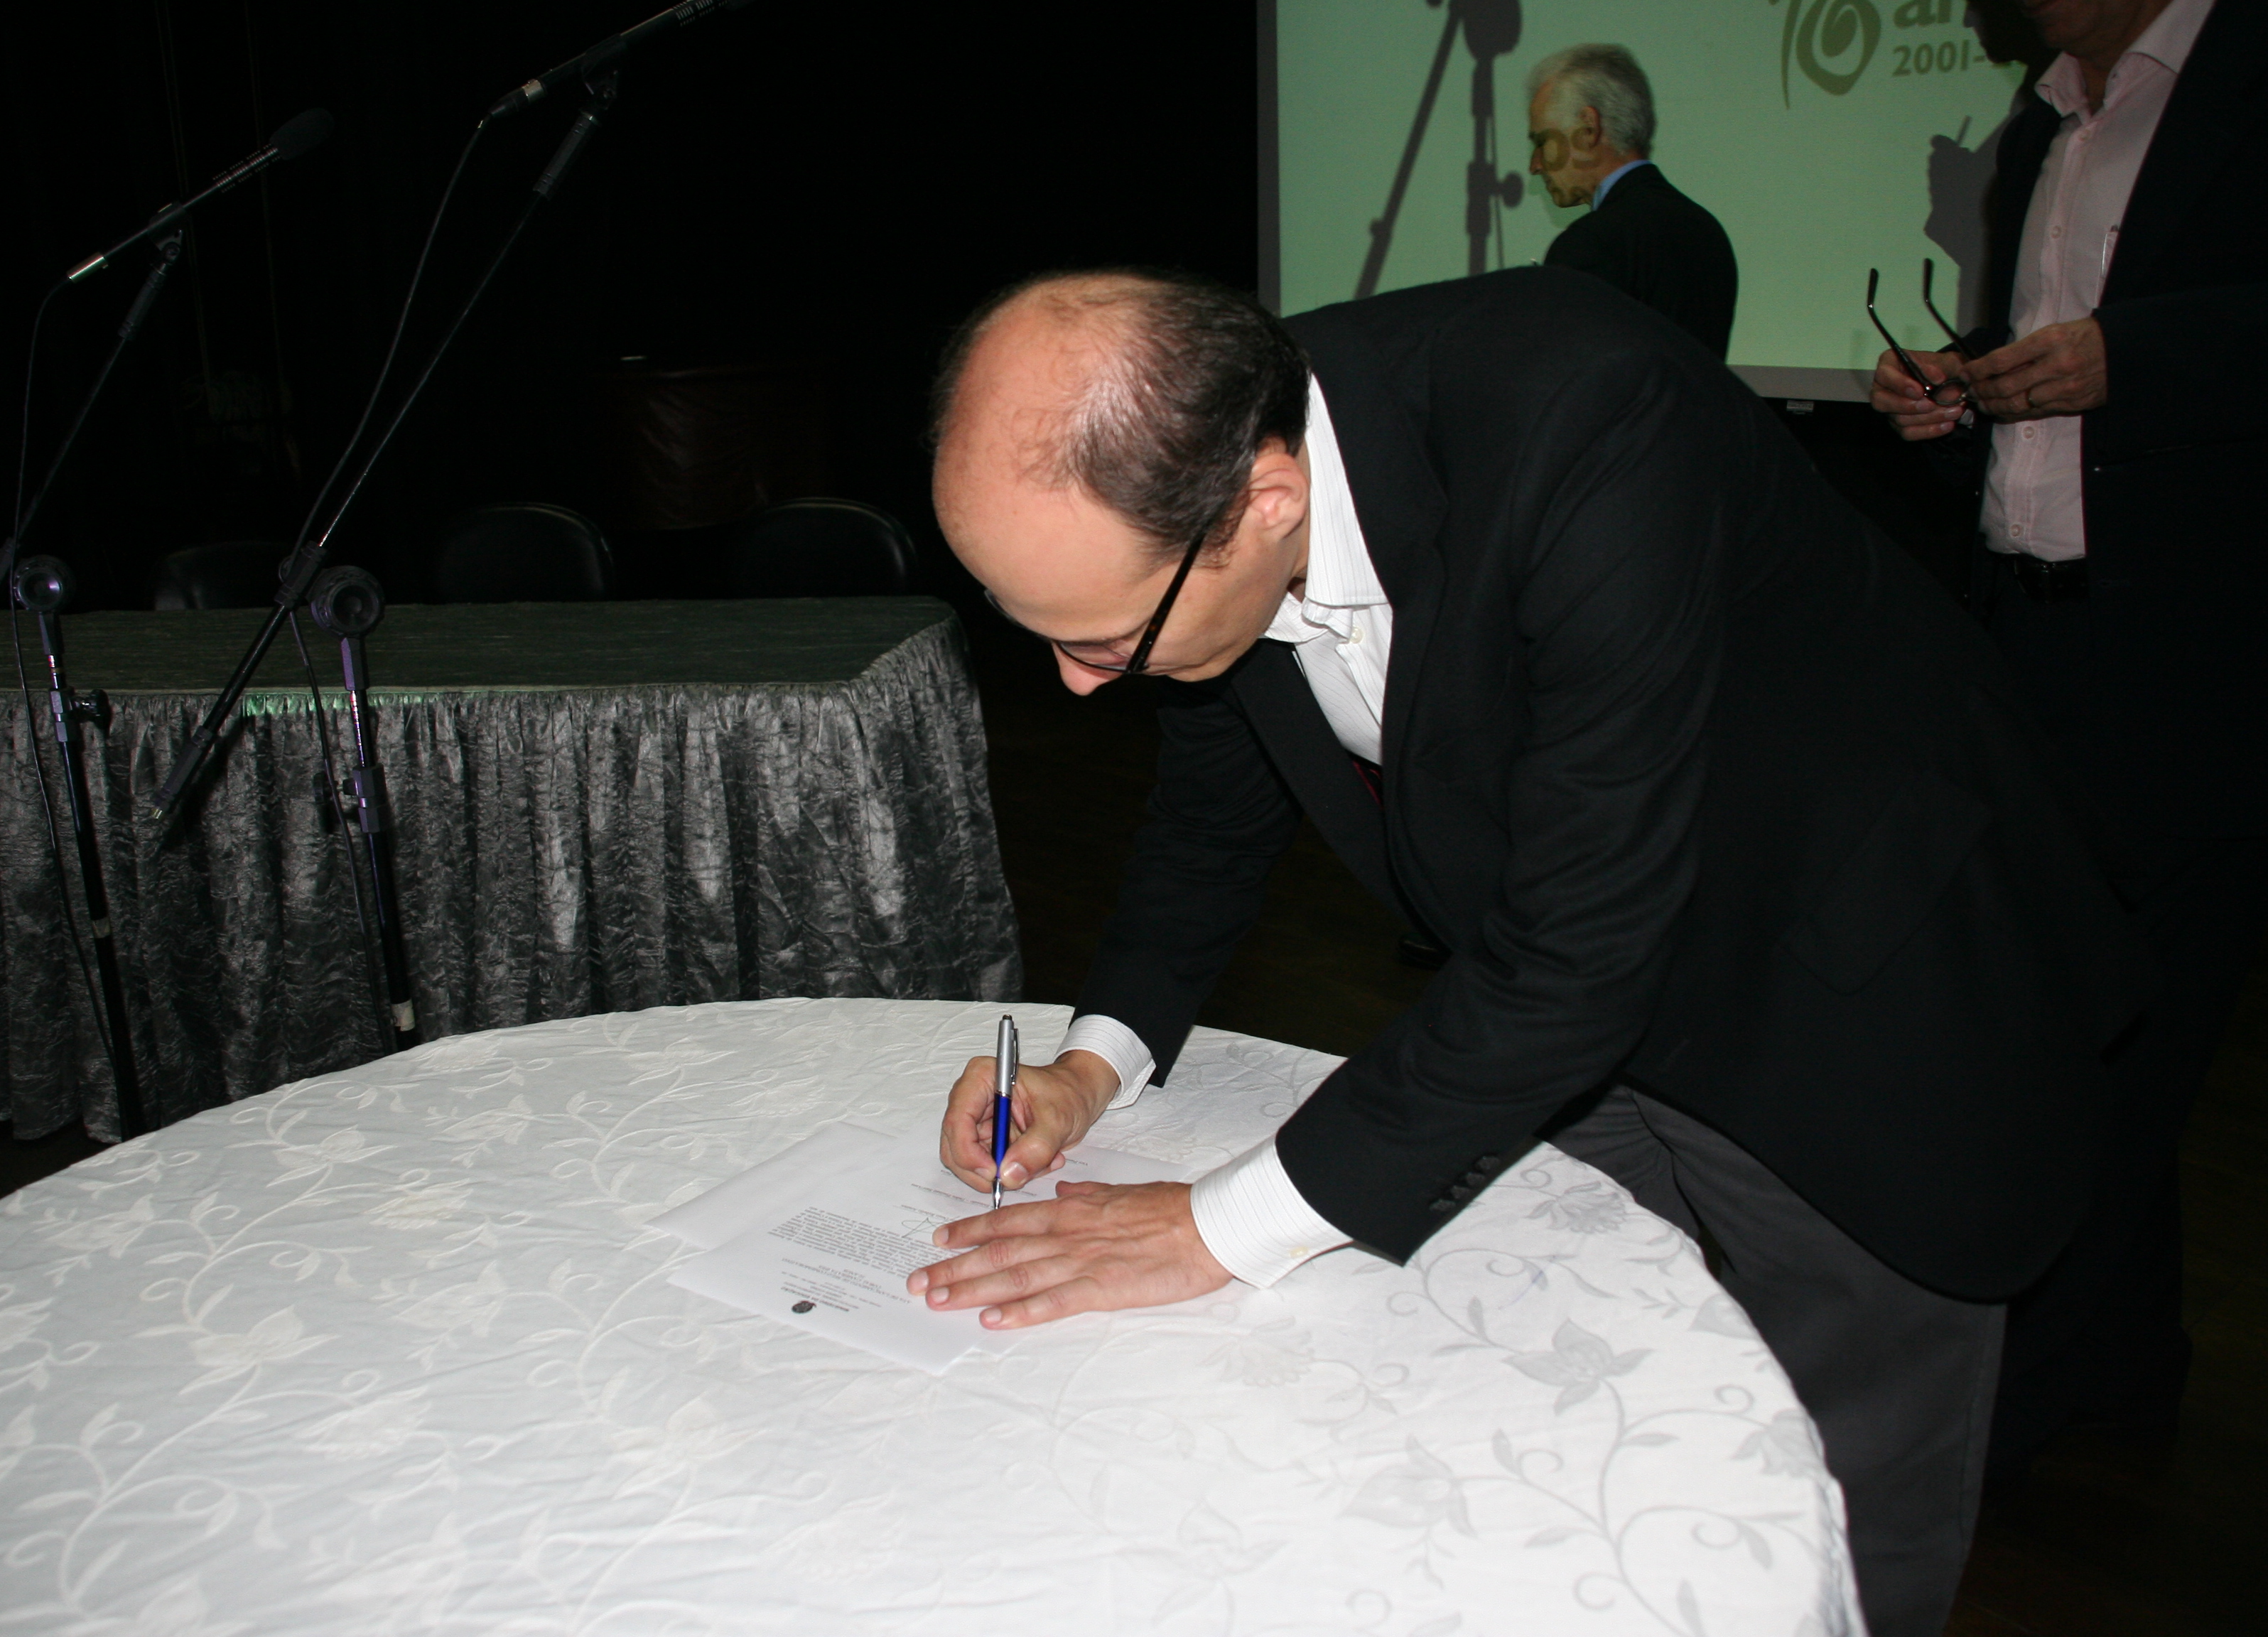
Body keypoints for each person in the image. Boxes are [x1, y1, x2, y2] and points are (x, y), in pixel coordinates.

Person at [909, 266, 2147, 1637]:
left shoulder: (1585, 415)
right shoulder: (1202, 453)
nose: (1079, 684)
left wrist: (1212, 1227)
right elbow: (1211, 819)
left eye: (1101, 638)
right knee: (1545, 1374)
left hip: (1851, 971)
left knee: (1838, 1485)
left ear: (1266, 501)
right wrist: (1091, 1066)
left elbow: (1579, 949)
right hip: (1569, 971)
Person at [1869, 0, 2265, 1484]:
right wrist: (1952, 386)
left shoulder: (2244, 77)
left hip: (2193, 661)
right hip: (2031, 641)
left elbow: (2145, 345)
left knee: (2107, 1042)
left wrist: (2134, 359)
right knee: (2077, 1023)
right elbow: (2040, 360)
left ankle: (2027, 1398)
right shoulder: (2039, 122)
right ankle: (2118, 1375)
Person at [1523, 43, 1737, 357]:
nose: (1535, 165)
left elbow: (1568, 374)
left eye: (1542, 141)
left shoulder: (1592, 242)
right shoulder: (1706, 230)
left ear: (1588, 129)